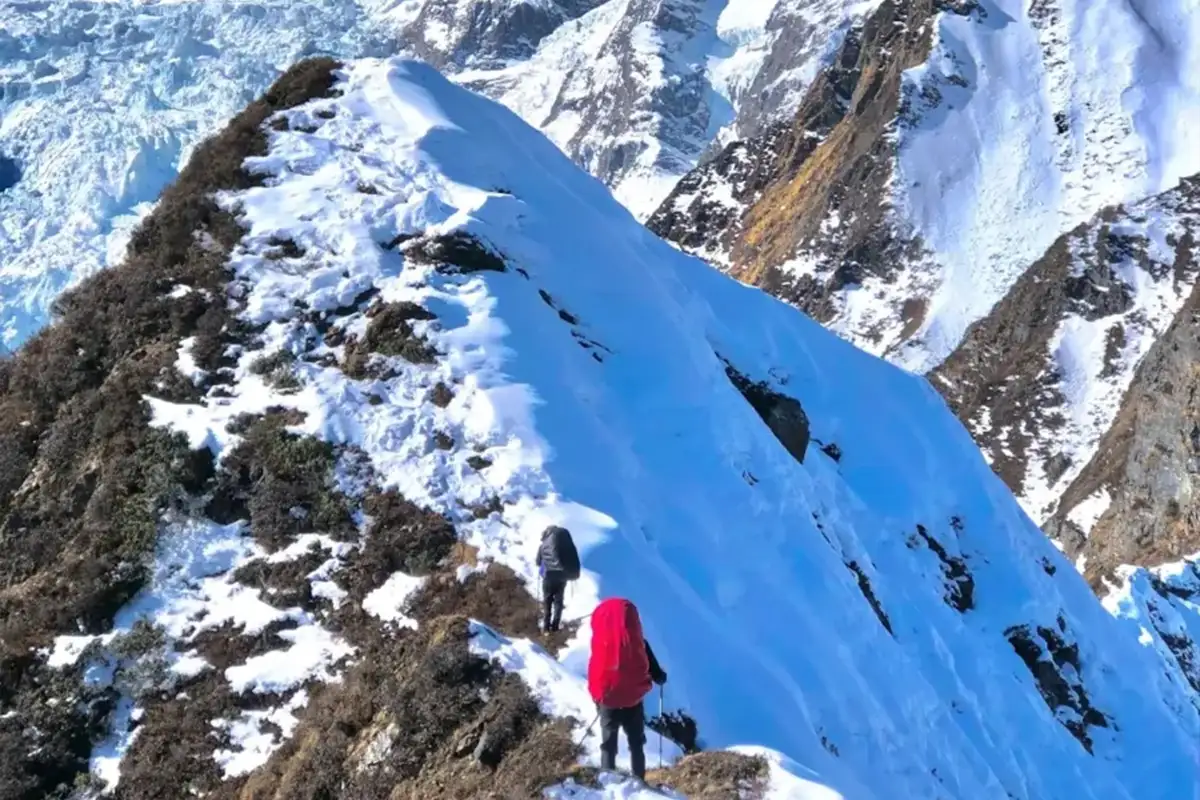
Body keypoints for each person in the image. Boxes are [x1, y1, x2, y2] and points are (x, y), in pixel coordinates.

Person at [587, 597, 668, 781]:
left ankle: (607, 779)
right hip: (632, 700)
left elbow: (594, 669)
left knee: (608, 743)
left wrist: (598, 697)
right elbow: (655, 672)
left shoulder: (600, 640)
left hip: (608, 699)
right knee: (636, 743)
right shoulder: (638, 641)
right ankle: (639, 781)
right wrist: (659, 677)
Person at [536, 525, 580, 632]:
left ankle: (546, 628)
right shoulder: (563, 544)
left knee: (548, 601)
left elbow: (538, 562)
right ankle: (555, 626)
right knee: (558, 601)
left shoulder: (543, 546)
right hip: (563, 575)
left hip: (549, 576)